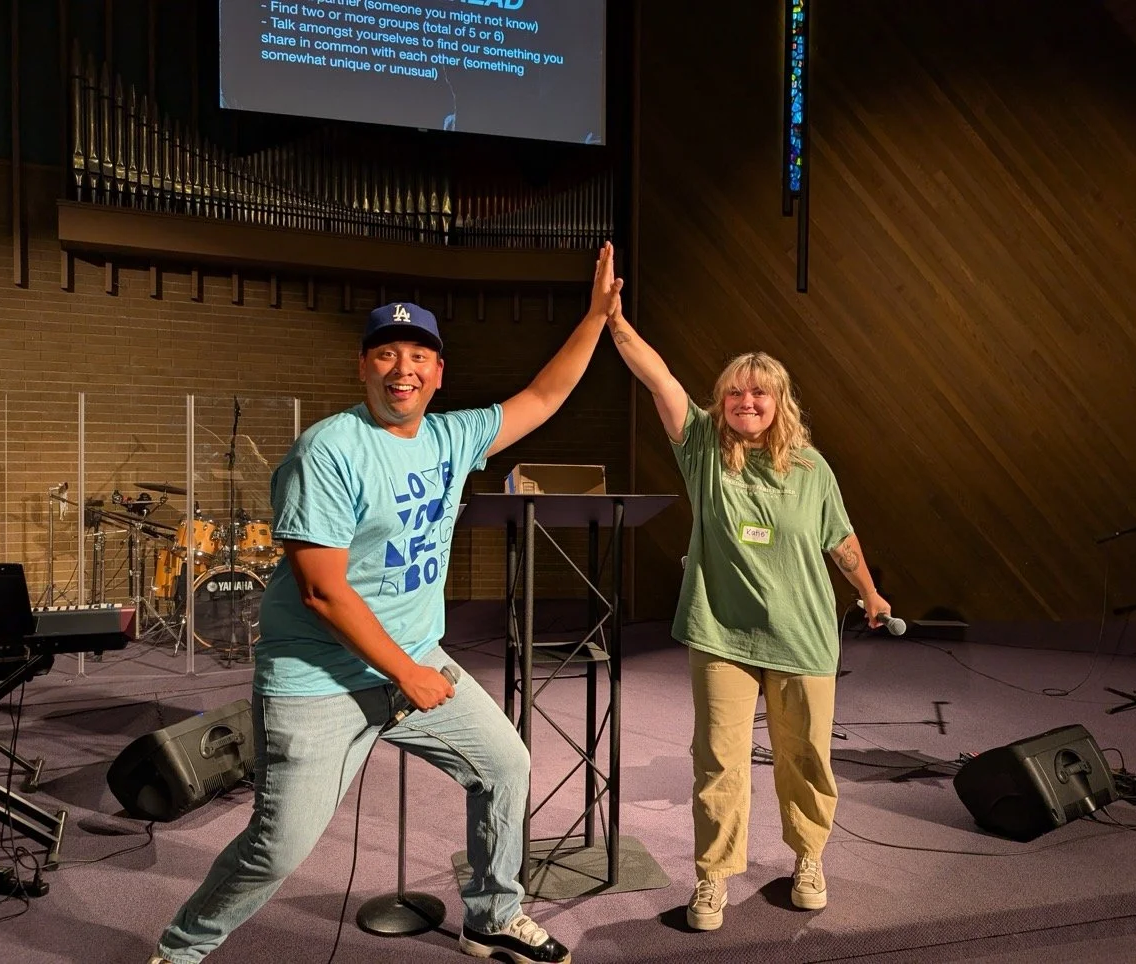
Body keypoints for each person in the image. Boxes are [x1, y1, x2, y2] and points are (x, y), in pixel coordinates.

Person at [148, 244, 624, 964]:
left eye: (419, 356)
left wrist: (593, 318)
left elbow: (545, 396)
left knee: (504, 765)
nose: (404, 368)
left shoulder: (453, 436)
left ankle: (492, 917)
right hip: (319, 678)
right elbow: (321, 591)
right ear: (362, 366)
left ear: (438, 374)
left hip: (411, 661)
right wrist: (406, 673)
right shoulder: (328, 451)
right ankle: (179, 951)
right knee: (277, 848)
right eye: (387, 353)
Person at [603, 304, 892, 931]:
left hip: (804, 634)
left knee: (806, 756)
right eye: (735, 392)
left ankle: (809, 859)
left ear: (779, 400)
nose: (746, 401)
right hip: (722, 632)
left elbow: (840, 538)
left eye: (759, 392)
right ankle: (713, 878)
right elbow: (660, 382)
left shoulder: (812, 469)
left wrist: (869, 592)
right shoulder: (705, 448)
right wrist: (616, 322)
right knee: (718, 758)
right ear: (722, 402)